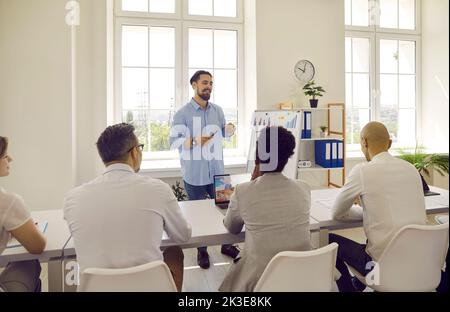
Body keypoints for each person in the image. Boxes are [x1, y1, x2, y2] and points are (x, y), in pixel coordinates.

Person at [63, 124, 191, 291]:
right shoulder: (157, 189)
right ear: (134, 152)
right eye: (140, 147)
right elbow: (183, 235)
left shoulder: (73, 198)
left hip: (97, 288)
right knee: (174, 252)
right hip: (150, 288)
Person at [329, 122, 427, 292]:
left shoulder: (362, 171)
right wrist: (370, 210)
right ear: (389, 144)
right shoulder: (411, 169)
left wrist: (364, 211)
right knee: (375, 240)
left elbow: (337, 213)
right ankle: (358, 284)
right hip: (420, 264)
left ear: (364, 142)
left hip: (380, 269)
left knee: (328, 241)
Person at [219, 126, 312, 292]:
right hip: (302, 276)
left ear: (258, 157)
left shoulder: (243, 191)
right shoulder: (304, 188)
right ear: (288, 157)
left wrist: (253, 181)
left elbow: (232, 228)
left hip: (260, 280)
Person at [170, 70, 239, 269]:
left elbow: (224, 134)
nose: (209, 86)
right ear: (194, 85)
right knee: (198, 216)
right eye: (205, 82)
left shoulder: (217, 110)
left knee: (227, 210)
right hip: (194, 174)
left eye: (211, 83)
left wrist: (230, 130)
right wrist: (194, 141)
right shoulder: (182, 114)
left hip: (218, 170)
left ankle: (227, 245)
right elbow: (173, 141)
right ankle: (202, 251)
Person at [0, 136, 46, 292]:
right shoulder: (7, 201)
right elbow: (37, 246)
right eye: (5, 156)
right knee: (29, 262)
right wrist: (32, 229)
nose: (10, 159)